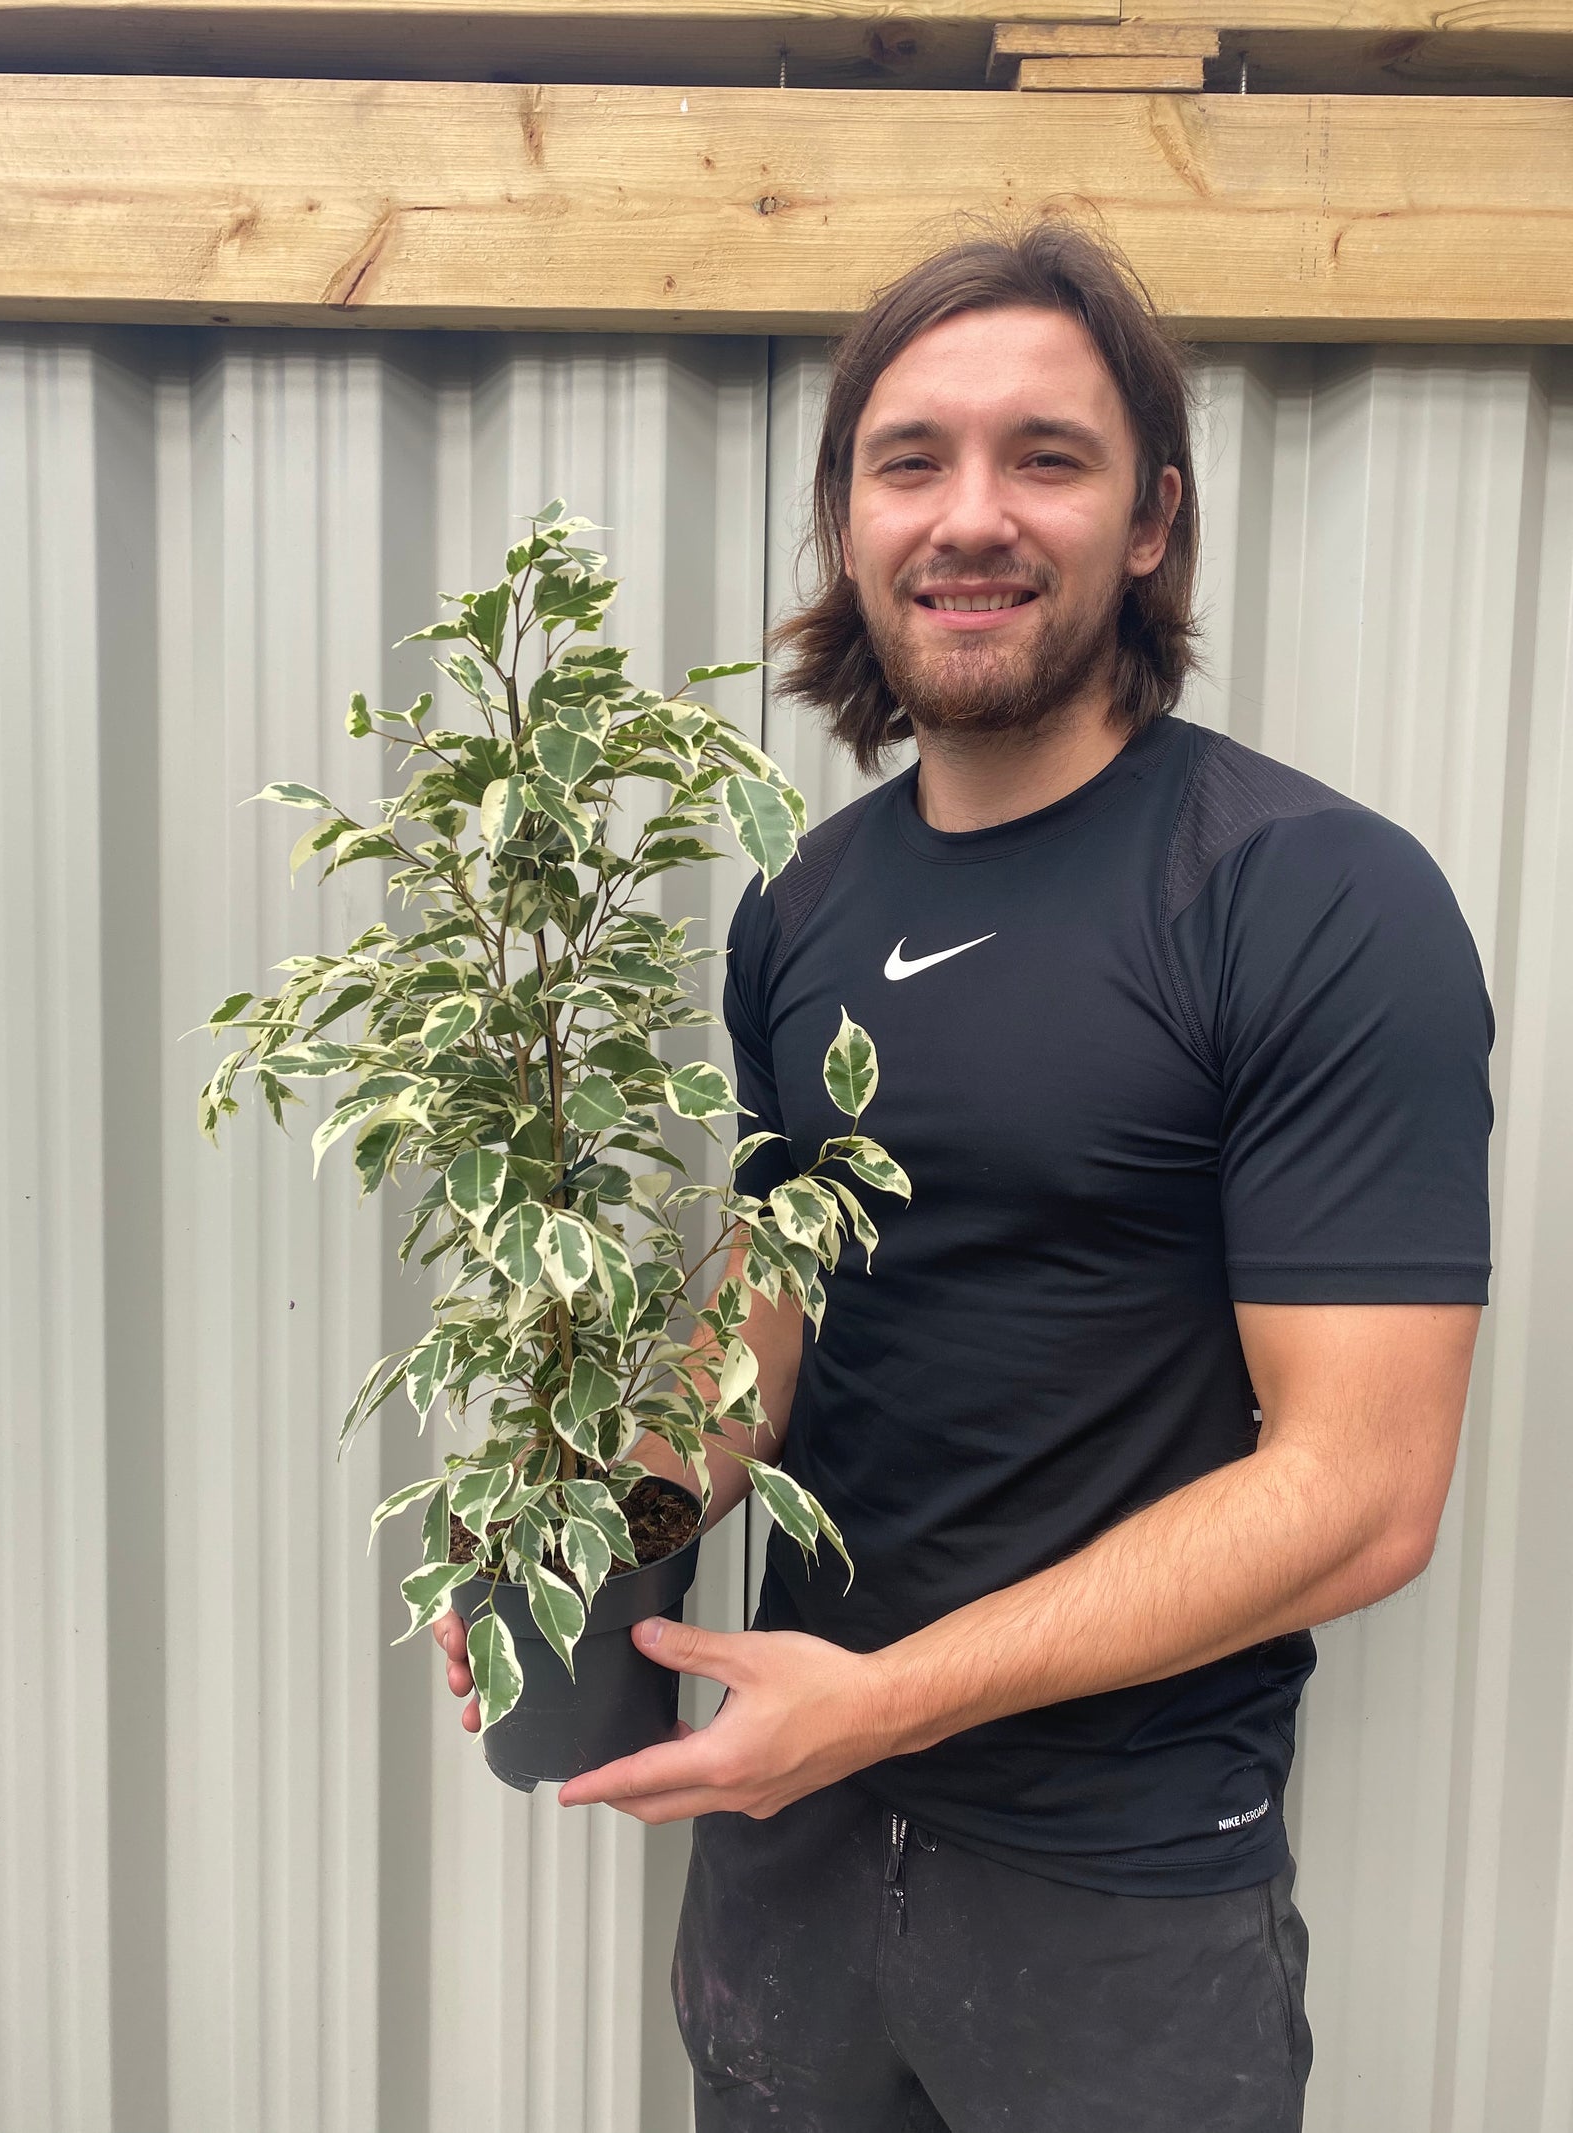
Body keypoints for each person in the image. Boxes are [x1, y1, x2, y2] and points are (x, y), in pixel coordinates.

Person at [433, 219, 1493, 2131]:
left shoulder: (1313, 898)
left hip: (1124, 1891)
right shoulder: (804, 907)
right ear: (846, 521)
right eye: (911, 458)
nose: (972, 514)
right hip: (795, 1852)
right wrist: (590, 1523)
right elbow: (768, 1331)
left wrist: (884, 1697)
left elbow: (1365, 1495)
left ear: (1152, 520)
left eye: (1048, 456)